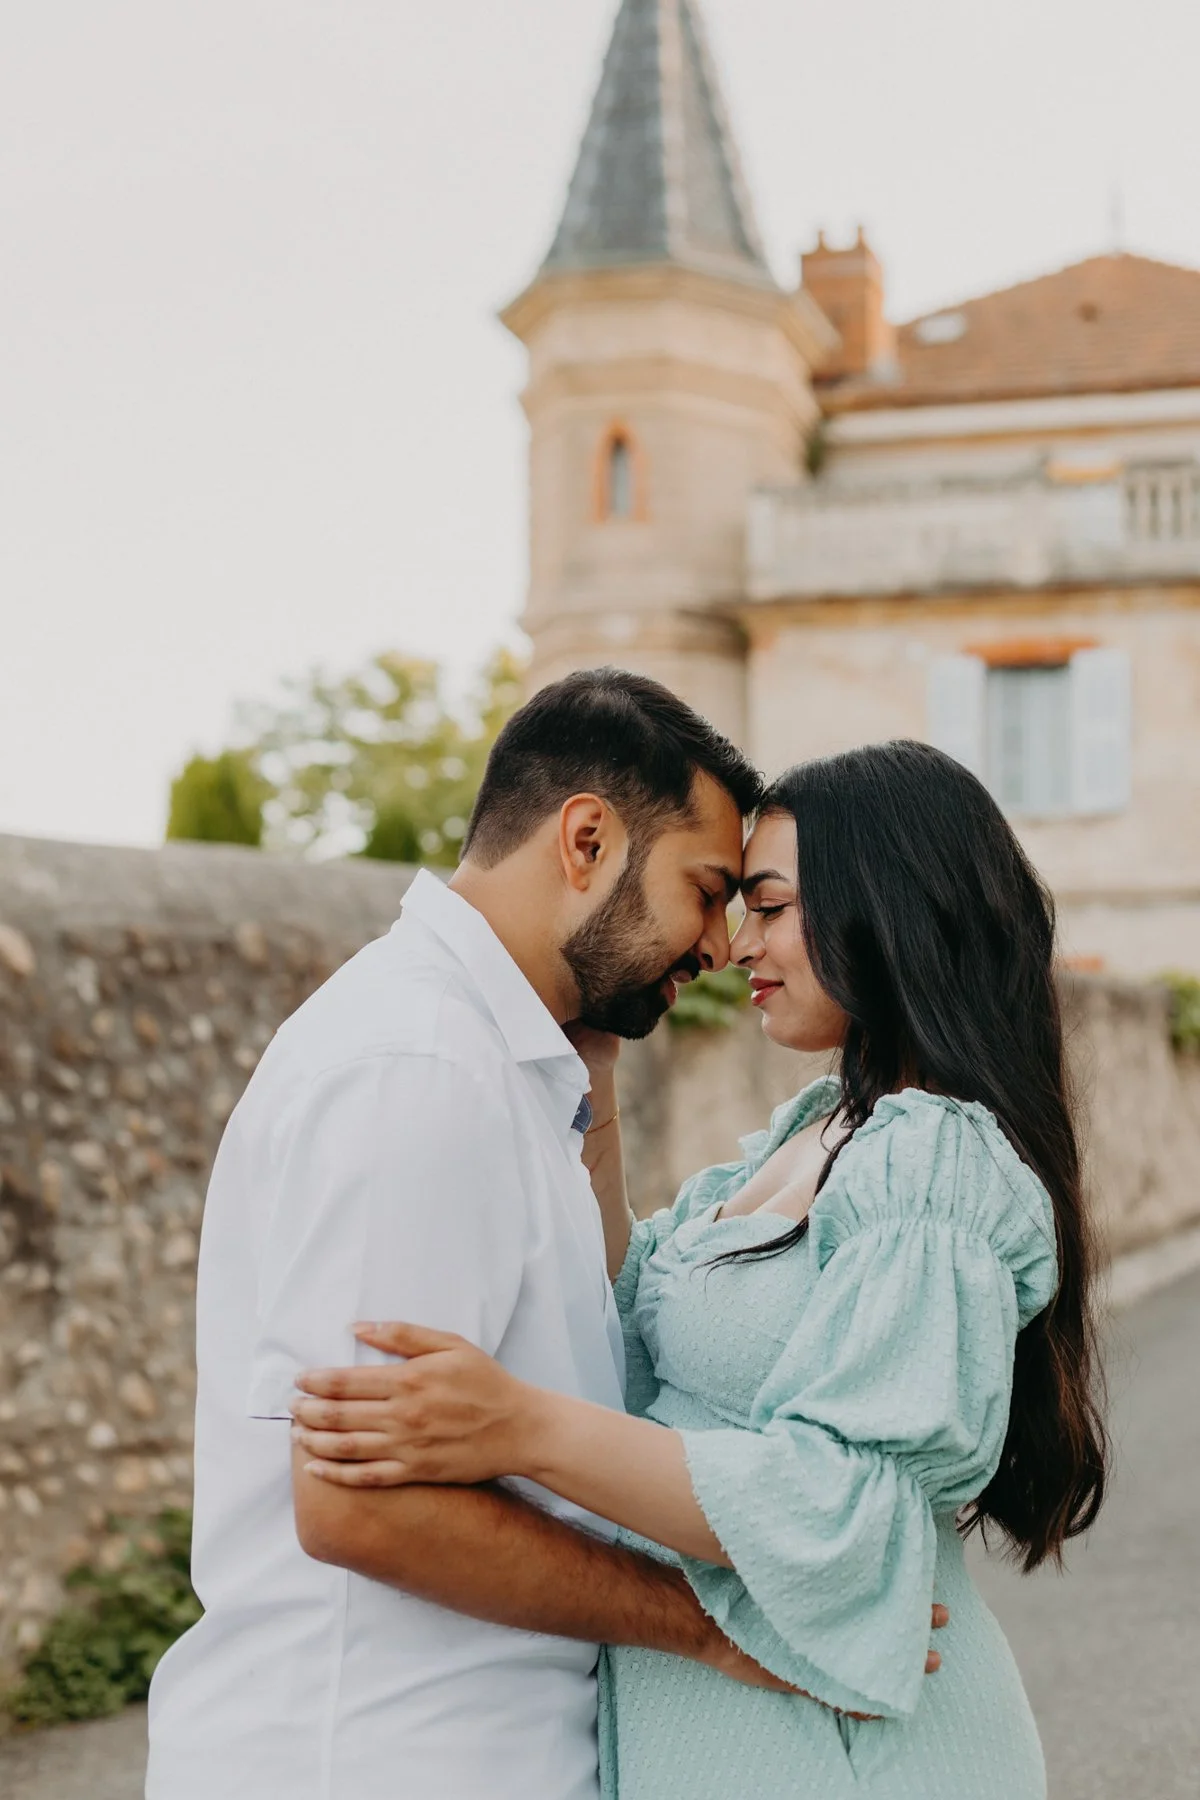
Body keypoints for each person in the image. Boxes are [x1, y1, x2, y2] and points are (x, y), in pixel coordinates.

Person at [292, 739, 1110, 1800]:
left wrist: (521, 1428)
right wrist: (592, 1076)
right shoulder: (821, 1127)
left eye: (767, 907)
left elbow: (842, 1509)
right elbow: (629, 1317)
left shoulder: (933, 1164)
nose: (734, 945)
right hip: (736, 1733)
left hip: (850, 1754)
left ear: (888, 910)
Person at [148, 667, 808, 1800]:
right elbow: (362, 1506)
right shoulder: (419, 1068)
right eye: (705, 891)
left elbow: (578, 1343)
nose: (717, 943)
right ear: (587, 841)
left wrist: (591, 1080)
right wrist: (701, 1625)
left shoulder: (494, 1060)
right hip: (374, 1760)